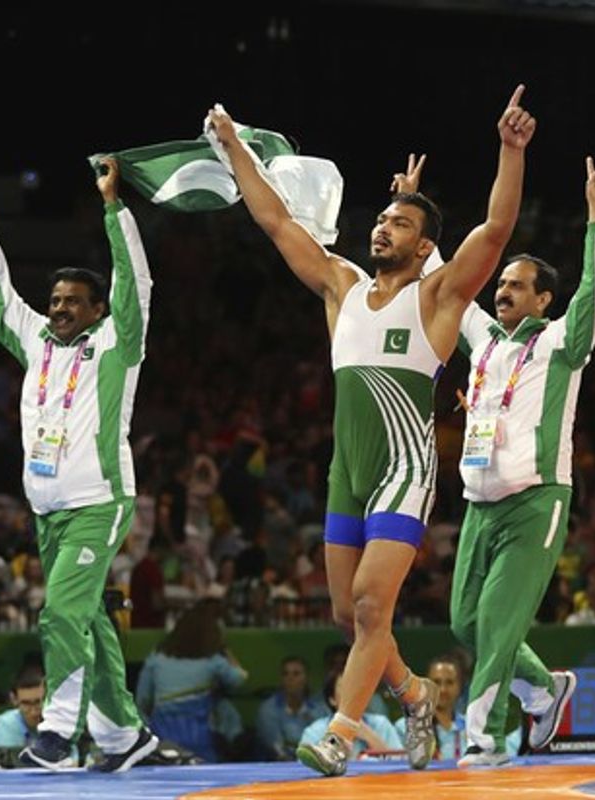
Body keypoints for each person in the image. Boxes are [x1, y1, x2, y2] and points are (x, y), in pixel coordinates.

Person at [207, 84, 536, 778]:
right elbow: (275, 220)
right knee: (345, 613)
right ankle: (415, 695)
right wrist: (234, 146)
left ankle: (340, 733)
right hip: (348, 471)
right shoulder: (342, 286)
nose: (382, 228)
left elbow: (496, 229)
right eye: (382, 219)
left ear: (426, 247)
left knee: (368, 603)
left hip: (404, 469)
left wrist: (510, 151)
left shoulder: (438, 297)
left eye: (400, 223)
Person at [0, 157, 157, 772]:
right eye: (55, 300)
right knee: (88, 619)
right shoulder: (36, 341)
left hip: (99, 502)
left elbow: (135, 281)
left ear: (99, 309)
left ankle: (58, 733)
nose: (60, 308)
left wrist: (114, 208)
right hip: (48, 509)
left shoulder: (117, 343)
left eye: (74, 301)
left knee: (62, 614)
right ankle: (122, 736)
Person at [445, 150, 595, 766]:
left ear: (544, 300)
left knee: (496, 623)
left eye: (516, 285)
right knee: (466, 623)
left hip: (536, 502)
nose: (502, 291)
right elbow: (445, 283)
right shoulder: (483, 341)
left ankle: (485, 738)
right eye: (501, 284)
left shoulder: (561, 342)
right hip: (478, 507)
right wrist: (411, 210)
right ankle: (545, 690)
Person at [135, 599, 247, 763]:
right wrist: (225, 649)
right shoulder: (213, 660)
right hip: (201, 737)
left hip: (162, 736)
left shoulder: (156, 658)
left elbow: (141, 701)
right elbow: (239, 678)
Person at [393, 654, 521, 762]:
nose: (443, 689)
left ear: (460, 686)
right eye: (436, 682)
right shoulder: (406, 727)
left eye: (449, 682)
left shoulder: (473, 727)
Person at [299, 670, 402, 760]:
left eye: (357, 686)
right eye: (346, 687)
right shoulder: (314, 732)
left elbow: (400, 764)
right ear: (332, 699)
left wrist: (369, 736)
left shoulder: (381, 725)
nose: (355, 692)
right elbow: (303, 771)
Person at [255, 656, 321, 761]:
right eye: (285, 674)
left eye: (296, 674)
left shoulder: (319, 710)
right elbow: (276, 748)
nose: (290, 678)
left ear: (306, 678)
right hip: (277, 765)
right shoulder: (268, 710)